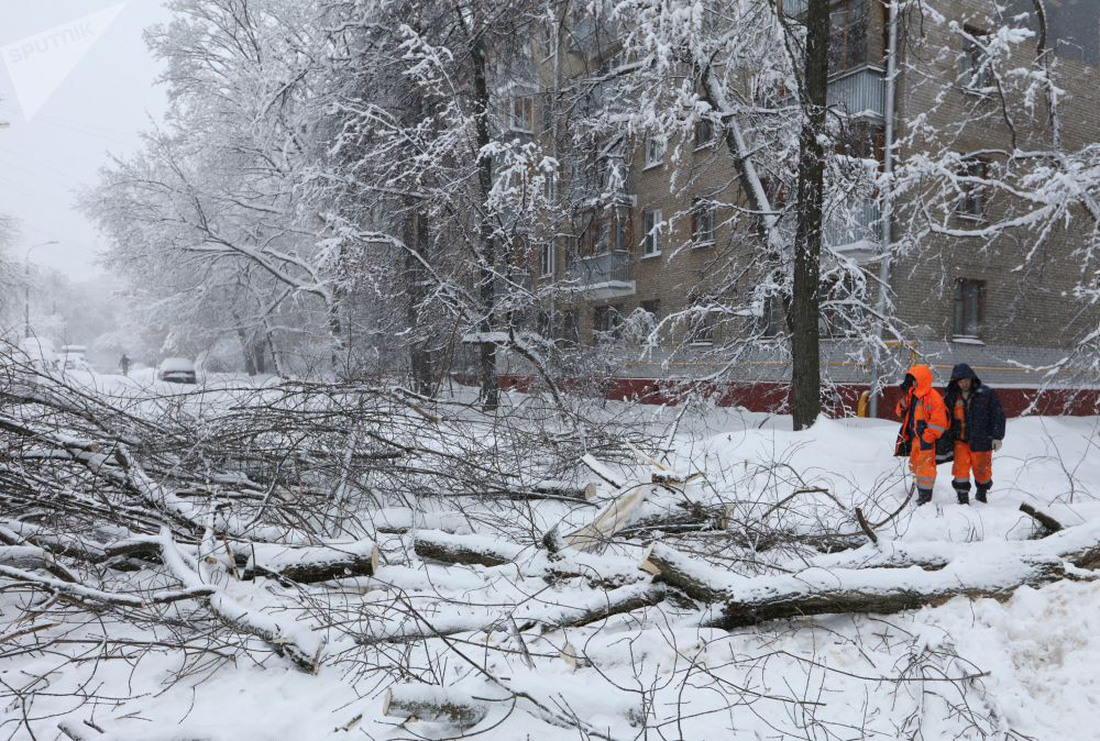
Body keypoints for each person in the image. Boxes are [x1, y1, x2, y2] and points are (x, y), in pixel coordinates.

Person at [943, 363, 1005, 504]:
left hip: (982, 440)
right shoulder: (952, 397)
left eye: (966, 380)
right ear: (956, 382)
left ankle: (982, 493)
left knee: (982, 470)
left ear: (972, 379)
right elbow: (945, 417)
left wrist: (997, 437)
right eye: (960, 381)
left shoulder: (986, 394)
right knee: (960, 471)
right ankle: (962, 497)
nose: (964, 384)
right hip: (960, 441)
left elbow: (998, 415)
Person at [894, 364, 949, 506]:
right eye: (912, 380)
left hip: (925, 440)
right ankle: (919, 491)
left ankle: (925, 498)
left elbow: (939, 422)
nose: (913, 383)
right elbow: (900, 413)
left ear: (922, 379)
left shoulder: (933, 397)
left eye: (915, 380)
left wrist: (927, 436)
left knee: (925, 468)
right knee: (914, 465)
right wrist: (902, 405)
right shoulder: (912, 395)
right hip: (914, 439)